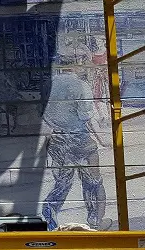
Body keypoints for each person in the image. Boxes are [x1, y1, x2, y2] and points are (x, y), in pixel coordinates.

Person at [41, 53, 107, 230]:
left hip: (57, 141)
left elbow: (44, 116)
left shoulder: (47, 85)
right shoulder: (81, 85)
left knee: (63, 183)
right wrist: (102, 139)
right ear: (76, 64)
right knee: (93, 181)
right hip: (80, 140)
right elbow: (87, 117)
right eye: (83, 64)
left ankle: (50, 209)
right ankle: (95, 220)